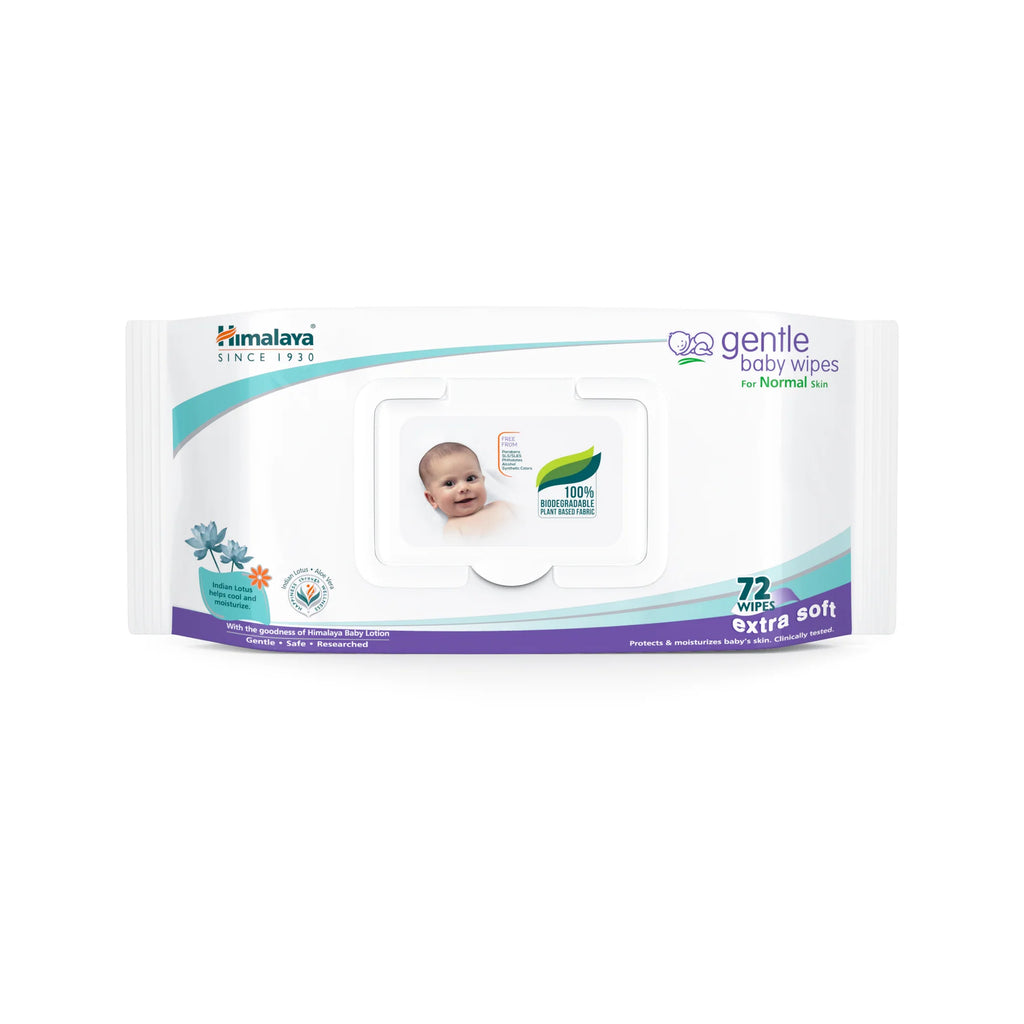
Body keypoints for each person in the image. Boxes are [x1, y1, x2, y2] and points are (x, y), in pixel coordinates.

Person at [418, 442, 513, 539]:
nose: (464, 488)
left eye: (470, 478)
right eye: (449, 483)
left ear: (483, 482)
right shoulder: (454, 529)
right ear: (432, 499)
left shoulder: (502, 505)